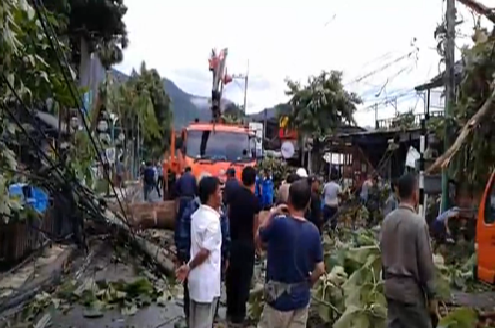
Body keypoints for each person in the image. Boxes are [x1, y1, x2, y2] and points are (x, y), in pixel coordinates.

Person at [256, 180, 325, 328]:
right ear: (308, 204)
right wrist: (308, 282)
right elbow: (320, 268)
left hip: (278, 301)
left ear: (288, 201)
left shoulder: (279, 224)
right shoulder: (313, 231)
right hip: (301, 300)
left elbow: (258, 237)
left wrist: (272, 213)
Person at [380, 173, 437, 328]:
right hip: (410, 293)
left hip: (391, 289)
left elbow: (383, 254)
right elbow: (426, 264)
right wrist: (432, 295)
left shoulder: (387, 221)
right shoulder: (418, 223)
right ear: (414, 194)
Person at [176, 176, 231, 325]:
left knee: (194, 322)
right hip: (207, 283)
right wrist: (189, 266)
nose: (221, 195)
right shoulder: (214, 221)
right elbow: (205, 252)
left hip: (195, 282)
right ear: (212, 195)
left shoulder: (196, 215)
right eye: (219, 191)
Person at [226, 166, 262, 325]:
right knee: (244, 279)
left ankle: (230, 309)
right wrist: (258, 246)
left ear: (241, 178)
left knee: (232, 276)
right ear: (254, 181)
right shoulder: (254, 201)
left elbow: (228, 215)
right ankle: (239, 315)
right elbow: (255, 227)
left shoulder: (234, 195)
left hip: (233, 242)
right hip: (247, 244)